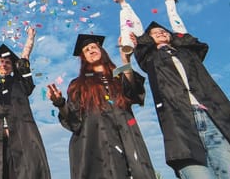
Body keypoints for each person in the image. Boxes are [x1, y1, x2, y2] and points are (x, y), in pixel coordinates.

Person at [114, 0, 230, 179]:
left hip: (212, 118)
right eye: (155, 33)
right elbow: (137, 31)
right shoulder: (150, 58)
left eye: (164, 31)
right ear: (148, 40)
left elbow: (180, 30)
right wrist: (124, 4)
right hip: (181, 124)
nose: (161, 33)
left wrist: (171, 5)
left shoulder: (188, 54)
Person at [47, 33, 156, 179]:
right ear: (83, 58)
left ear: (101, 50)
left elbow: (134, 93)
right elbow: (73, 121)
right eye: (86, 50)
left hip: (127, 134)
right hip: (94, 141)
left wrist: (125, 60)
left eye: (94, 47)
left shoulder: (118, 74)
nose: (91, 50)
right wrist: (60, 103)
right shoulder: (78, 83)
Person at [0, 27, 51, 179]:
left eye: (8, 62)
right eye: (0, 62)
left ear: (13, 67)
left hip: (21, 141)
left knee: (26, 172)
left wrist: (30, 40)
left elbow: (24, 62)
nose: (4, 64)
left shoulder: (19, 83)